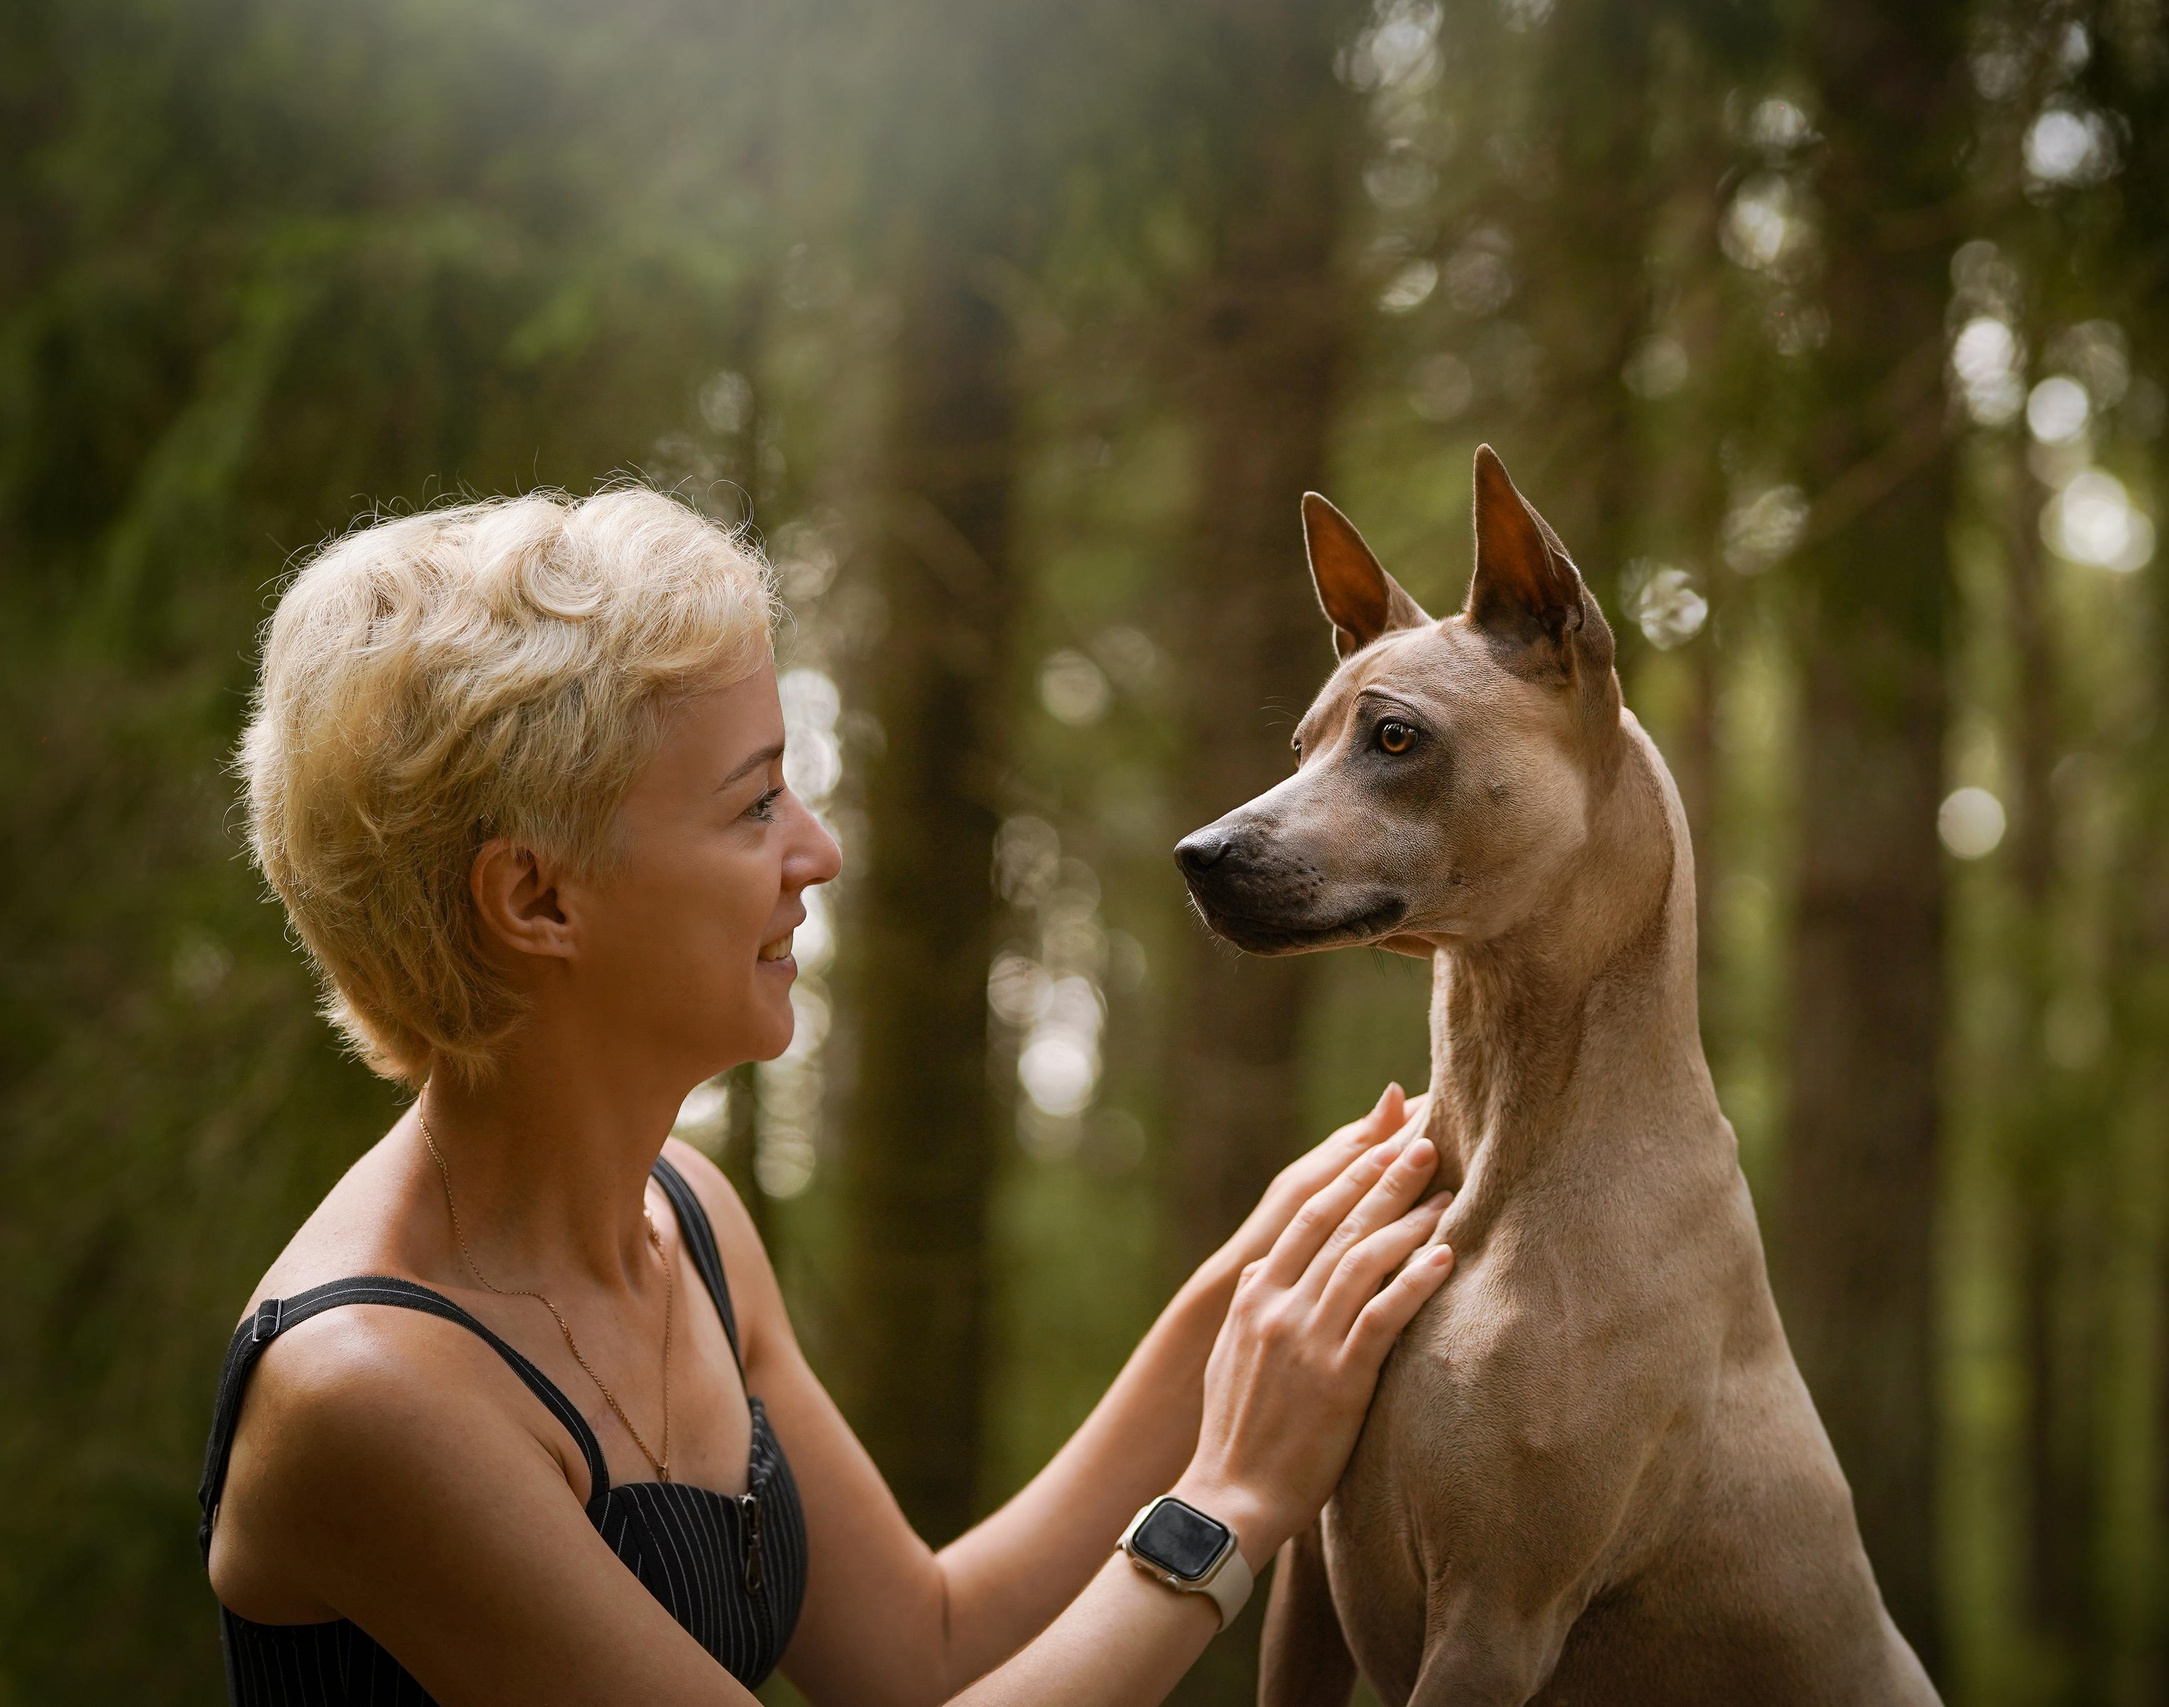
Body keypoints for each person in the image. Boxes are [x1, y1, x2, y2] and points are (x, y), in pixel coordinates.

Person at [199, 487, 1453, 1706]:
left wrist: (1256, 1281)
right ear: (536, 899)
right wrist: (1225, 1506)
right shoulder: (368, 1395)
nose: (819, 850)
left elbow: (924, 1652)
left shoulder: (684, 1219)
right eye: (753, 803)